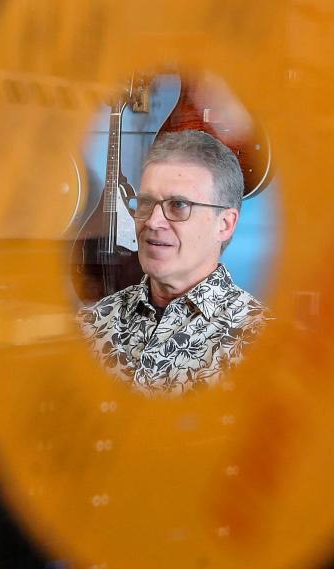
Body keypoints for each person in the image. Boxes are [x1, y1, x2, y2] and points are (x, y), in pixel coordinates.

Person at [79, 130, 267, 394]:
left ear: (225, 224)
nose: (153, 222)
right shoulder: (91, 324)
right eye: (145, 203)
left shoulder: (265, 348)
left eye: (178, 205)